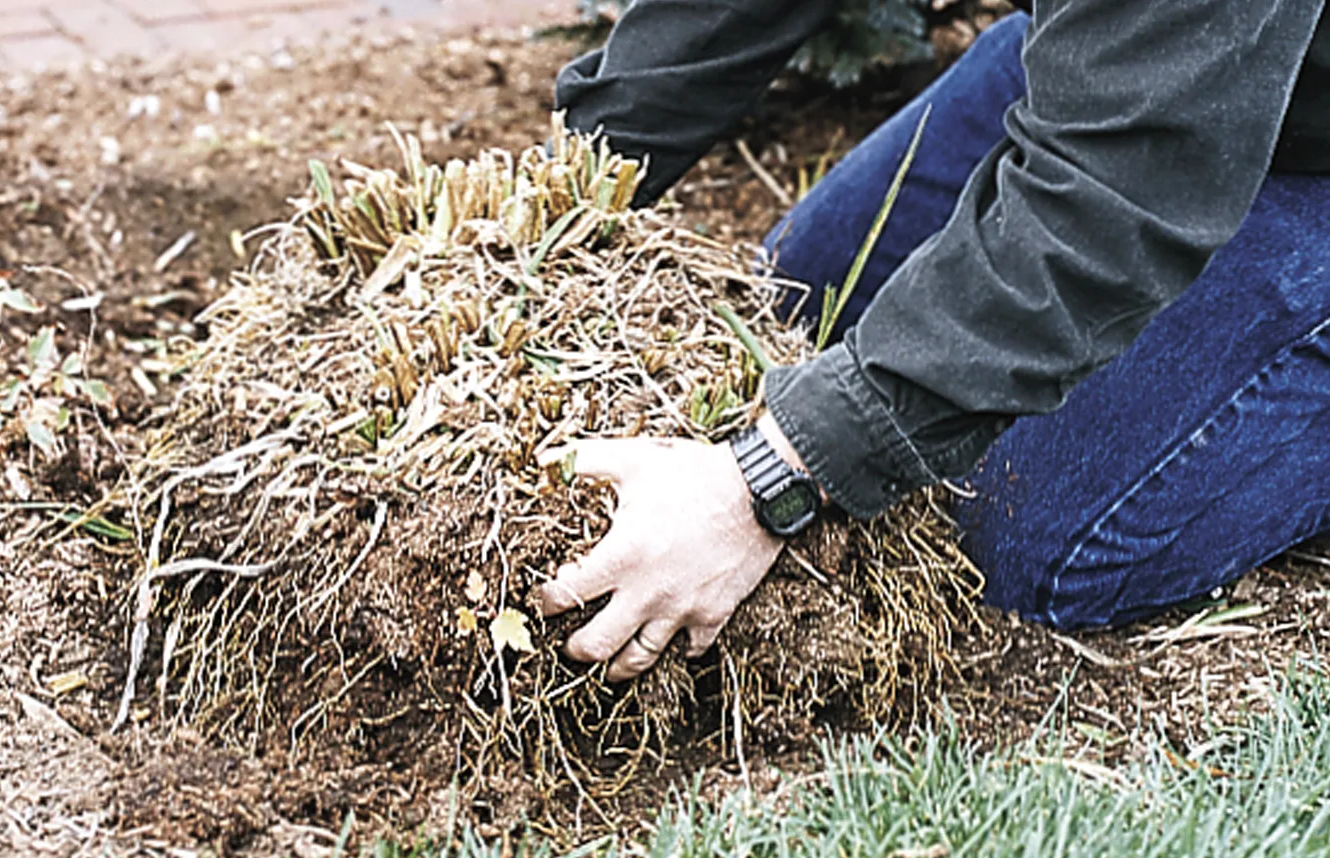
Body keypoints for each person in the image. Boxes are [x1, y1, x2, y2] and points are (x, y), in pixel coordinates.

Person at [536, 0, 1330, 682]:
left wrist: (765, 482)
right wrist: (552, 203)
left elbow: (1105, 199)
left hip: (1274, 143)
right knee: (797, 302)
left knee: (1016, 538)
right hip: (1128, 60)